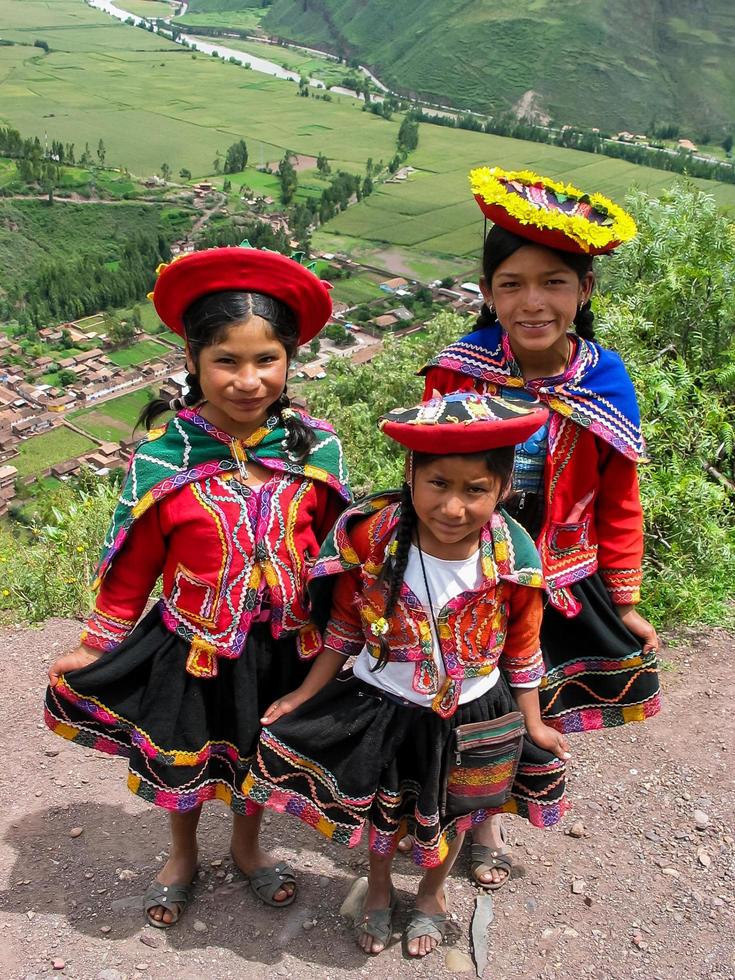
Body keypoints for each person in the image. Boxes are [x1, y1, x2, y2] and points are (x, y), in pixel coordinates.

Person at [44, 246, 351, 928]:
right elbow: (133, 567)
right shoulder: (165, 457)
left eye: (265, 360)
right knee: (185, 761)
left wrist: (357, 634)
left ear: (289, 362)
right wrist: (98, 647)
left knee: (256, 755)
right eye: (226, 361)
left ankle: (247, 847)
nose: (248, 380)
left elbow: (341, 556)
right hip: (194, 646)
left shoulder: (314, 451)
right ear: (193, 363)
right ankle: (181, 855)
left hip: (285, 647)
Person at [243, 391, 570, 958]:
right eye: (438, 484)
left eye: (476, 490)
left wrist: (534, 723)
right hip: (384, 703)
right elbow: (345, 624)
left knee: (454, 814)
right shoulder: (374, 539)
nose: (452, 508)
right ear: (412, 475)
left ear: (503, 490)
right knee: (385, 813)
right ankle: (377, 888)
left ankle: (432, 896)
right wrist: (304, 693)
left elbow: (522, 646)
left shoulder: (514, 559)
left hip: (473, 711)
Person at [421, 166, 661, 889]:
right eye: (511, 284)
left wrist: (623, 600)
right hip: (467, 576)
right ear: (488, 293)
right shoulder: (457, 376)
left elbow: (619, 497)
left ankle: (490, 821)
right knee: (466, 705)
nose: (532, 302)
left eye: (553, 282)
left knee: (529, 711)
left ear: (584, 291)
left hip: (556, 579)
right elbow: (424, 477)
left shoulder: (603, 379)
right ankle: (463, 823)